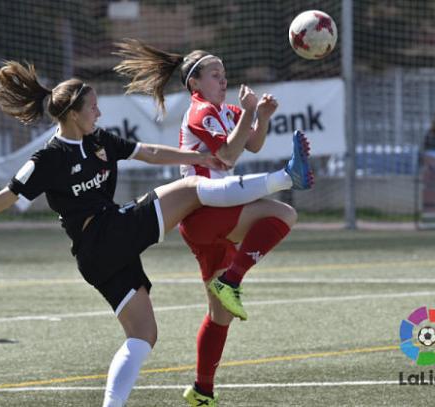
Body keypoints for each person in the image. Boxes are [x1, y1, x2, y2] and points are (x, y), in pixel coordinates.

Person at [0, 61, 312, 407]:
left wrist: (197, 157)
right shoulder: (49, 158)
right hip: (105, 235)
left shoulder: (99, 141)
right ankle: (284, 177)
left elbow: (147, 152)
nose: (99, 111)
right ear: (72, 114)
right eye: (93, 107)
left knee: (143, 336)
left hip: (99, 256)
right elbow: (8, 196)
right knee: (191, 191)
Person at [114, 38, 312, 406]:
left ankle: (202, 390)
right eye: (215, 75)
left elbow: (251, 145)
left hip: (211, 217)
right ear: (195, 84)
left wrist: (260, 117)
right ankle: (233, 278)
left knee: (219, 316)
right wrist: (250, 114)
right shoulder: (200, 111)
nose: (223, 80)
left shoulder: (224, 111)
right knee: (284, 213)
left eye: (224, 74)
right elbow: (226, 154)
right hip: (205, 211)